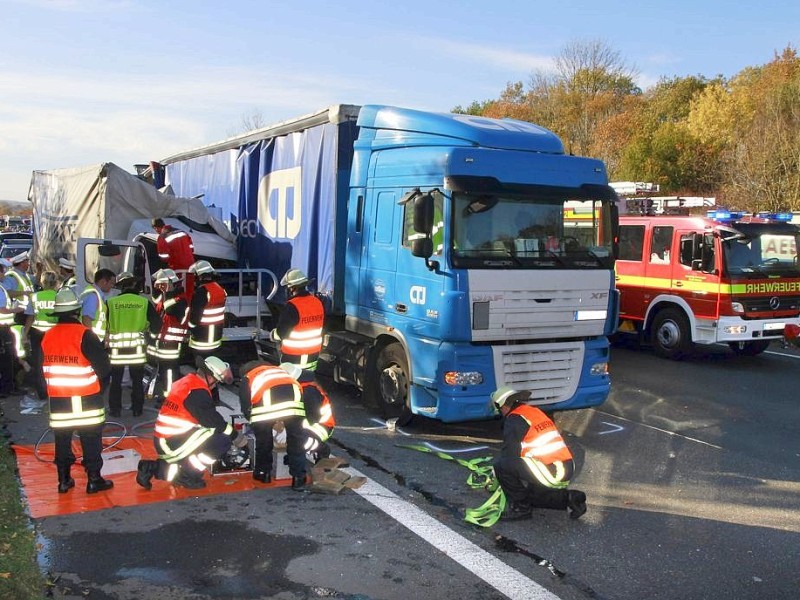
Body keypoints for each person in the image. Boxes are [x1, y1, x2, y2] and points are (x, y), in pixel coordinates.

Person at [41, 288, 113, 494]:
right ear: (76, 312)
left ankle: (64, 481)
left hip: (59, 401)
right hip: (87, 399)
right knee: (90, 439)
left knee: (62, 440)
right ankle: (94, 480)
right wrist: (100, 388)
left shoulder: (47, 336)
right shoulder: (85, 335)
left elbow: (42, 370)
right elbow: (104, 368)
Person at [135, 356, 246, 490]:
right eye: (216, 381)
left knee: (206, 438)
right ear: (210, 377)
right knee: (221, 442)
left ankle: (152, 468)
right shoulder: (198, 392)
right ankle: (187, 476)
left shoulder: (187, 382)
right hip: (171, 442)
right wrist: (235, 436)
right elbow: (214, 422)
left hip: (166, 439)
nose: (215, 384)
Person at [491, 386, 587, 521]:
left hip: (552, 471)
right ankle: (572, 498)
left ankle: (521, 509)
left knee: (501, 465)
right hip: (563, 467)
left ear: (503, 406)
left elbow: (509, 455)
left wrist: (497, 474)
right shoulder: (532, 412)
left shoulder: (514, 420)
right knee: (530, 495)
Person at [238, 361, 308, 489]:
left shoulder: (248, 377)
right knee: (296, 440)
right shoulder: (279, 371)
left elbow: (245, 405)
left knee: (263, 441)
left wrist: (253, 421)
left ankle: (263, 473)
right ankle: (299, 478)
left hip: (265, 408)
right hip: (295, 403)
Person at [106, 272, 161, 417]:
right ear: (132, 285)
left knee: (116, 381)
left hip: (116, 350)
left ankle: (115, 410)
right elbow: (157, 325)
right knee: (137, 381)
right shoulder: (143, 302)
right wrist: (151, 339)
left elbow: (103, 324)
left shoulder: (111, 303)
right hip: (137, 350)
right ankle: (137, 409)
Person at [146, 268, 189, 403]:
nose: (161, 288)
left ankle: (170, 398)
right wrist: (158, 288)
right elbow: (156, 301)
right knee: (165, 370)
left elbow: (169, 309)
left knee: (170, 371)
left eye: (163, 285)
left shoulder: (179, 300)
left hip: (172, 343)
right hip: (163, 342)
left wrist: (168, 291)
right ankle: (167, 395)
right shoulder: (164, 300)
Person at [271, 269, 324, 371]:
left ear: (292, 288)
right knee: (308, 382)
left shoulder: (292, 306)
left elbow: (282, 332)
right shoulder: (317, 302)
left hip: (293, 358)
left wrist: (273, 334)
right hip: (312, 357)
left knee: (291, 385)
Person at [23, 270, 59, 407]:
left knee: (40, 364)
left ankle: (43, 392)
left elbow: (30, 317)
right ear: (55, 282)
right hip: (55, 333)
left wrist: (24, 334)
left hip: (38, 334)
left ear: (42, 282)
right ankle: (56, 390)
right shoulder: (59, 296)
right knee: (56, 362)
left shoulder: (35, 296)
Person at [187, 260, 226, 359]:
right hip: (216, 336)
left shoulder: (201, 292)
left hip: (202, 337)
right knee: (212, 364)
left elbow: (195, 316)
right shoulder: (220, 289)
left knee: (202, 367)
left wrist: (190, 327)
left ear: (199, 276)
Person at [298, 367, 335, 463]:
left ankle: (321, 448)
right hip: (308, 423)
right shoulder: (301, 387)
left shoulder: (308, 391)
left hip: (320, 426)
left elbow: (313, 417)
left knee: (295, 441)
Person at [152, 218, 195, 297]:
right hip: (190, 268)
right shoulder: (183, 232)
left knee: (179, 294)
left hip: (177, 269)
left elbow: (164, 257)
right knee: (190, 292)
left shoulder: (162, 236)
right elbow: (192, 249)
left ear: (156, 228)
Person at [0, 259, 23, 396]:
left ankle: (8, 387)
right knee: (6, 360)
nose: (4, 275)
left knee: (7, 358)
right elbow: (2, 309)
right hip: (3, 329)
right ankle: (6, 388)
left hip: (4, 328)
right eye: (3, 272)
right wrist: (16, 310)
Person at [81, 268, 116, 342]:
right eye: (111, 283)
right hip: (92, 341)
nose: (112, 286)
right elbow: (86, 319)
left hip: (95, 340)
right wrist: (91, 340)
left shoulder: (97, 295)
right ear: (103, 282)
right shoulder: (93, 296)